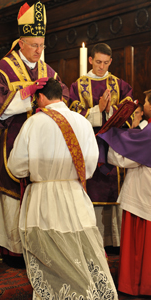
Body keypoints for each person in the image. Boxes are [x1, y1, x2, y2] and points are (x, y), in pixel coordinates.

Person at [7, 78, 118, 300]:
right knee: (83, 253)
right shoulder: (82, 122)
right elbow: (88, 167)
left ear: (40, 97)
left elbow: (16, 166)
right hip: (76, 197)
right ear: (61, 96)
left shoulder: (34, 123)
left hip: (43, 198)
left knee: (50, 261)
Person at [0, 1, 69, 266]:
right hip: (13, 138)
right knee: (12, 190)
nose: (39, 51)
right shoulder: (3, 69)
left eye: (42, 45)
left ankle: (40, 245)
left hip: (44, 143)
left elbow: (63, 98)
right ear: (21, 42)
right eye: (34, 45)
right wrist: (25, 93)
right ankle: (13, 250)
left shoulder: (48, 70)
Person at [69, 43, 134, 248]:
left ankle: (114, 241)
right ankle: (92, 242)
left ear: (111, 61)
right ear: (90, 60)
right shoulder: (78, 86)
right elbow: (73, 114)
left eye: (106, 63)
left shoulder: (119, 84)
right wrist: (98, 109)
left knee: (113, 191)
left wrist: (111, 110)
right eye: (98, 62)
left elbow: (130, 113)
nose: (102, 67)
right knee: (92, 190)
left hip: (114, 147)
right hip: (90, 145)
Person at [97, 89, 151, 296]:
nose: (143, 105)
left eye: (145, 101)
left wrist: (108, 138)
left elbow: (125, 159)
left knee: (139, 245)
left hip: (142, 193)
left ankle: (137, 285)